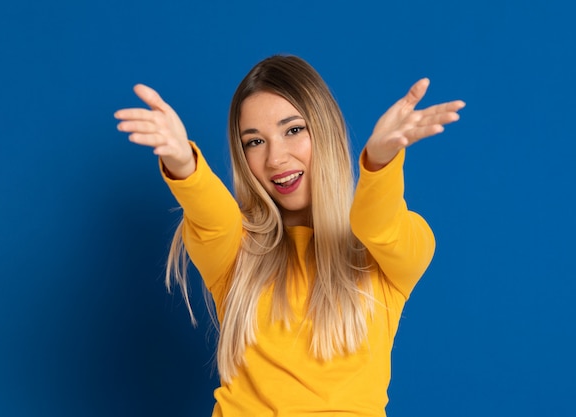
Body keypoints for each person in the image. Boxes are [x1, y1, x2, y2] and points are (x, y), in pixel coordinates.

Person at [114, 55, 465, 416]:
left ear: (325, 131)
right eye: (254, 142)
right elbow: (214, 217)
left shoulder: (389, 252)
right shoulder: (236, 252)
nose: (275, 158)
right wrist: (183, 164)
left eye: (293, 130)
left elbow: (378, 223)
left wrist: (379, 162)